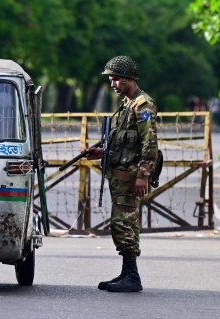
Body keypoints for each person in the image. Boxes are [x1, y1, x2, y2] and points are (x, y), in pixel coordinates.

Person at [85, 56, 158, 292]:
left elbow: (150, 143)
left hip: (130, 176)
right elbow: (123, 142)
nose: (113, 84)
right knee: (126, 224)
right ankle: (128, 272)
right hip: (120, 174)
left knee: (121, 224)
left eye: (115, 79)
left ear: (128, 79)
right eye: (111, 80)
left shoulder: (142, 105)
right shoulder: (126, 105)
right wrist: (100, 151)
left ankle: (132, 277)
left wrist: (142, 175)